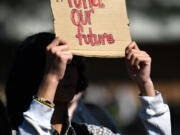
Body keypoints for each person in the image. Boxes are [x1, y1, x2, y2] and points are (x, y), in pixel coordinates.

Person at [6, 33, 171, 135]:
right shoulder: (11, 131)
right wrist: (51, 79)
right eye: (57, 64)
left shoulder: (92, 132)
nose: (67, 73)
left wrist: (145, 83)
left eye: (73, 64)